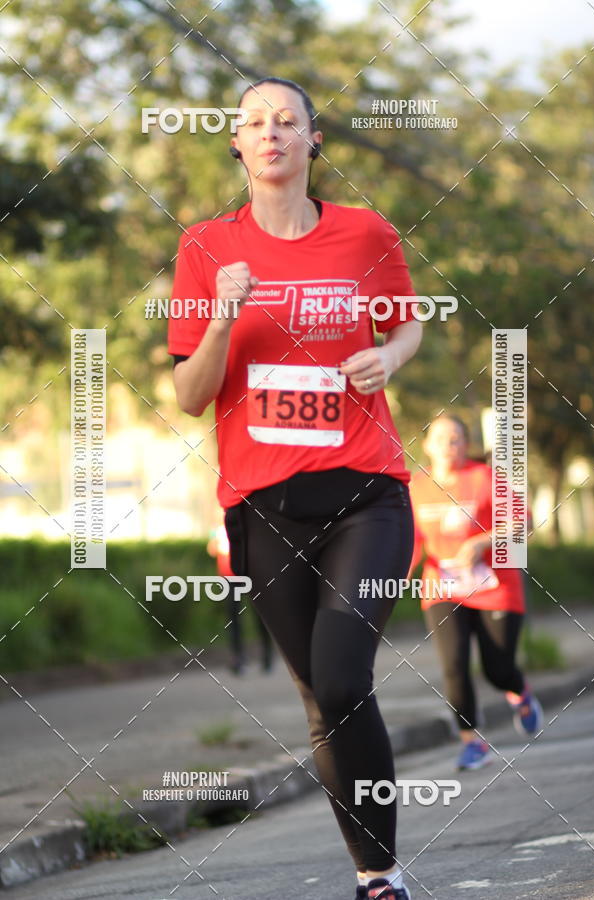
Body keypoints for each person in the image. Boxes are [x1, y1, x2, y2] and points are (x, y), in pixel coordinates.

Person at [168, 76, 423, 900]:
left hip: (366, 493)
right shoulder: (206, 247)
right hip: (263, 506)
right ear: (236, 145)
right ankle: (370, 873)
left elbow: (407, 318)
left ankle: (383, 878)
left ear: (314, 140)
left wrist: (390, 357)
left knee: (346, 678)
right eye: (254, 122)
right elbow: (188, 394)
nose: (271, 132)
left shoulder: (365, 234)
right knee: (320, 697)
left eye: (288, 120)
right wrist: (220, 319)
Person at [409, 414, 543, 771]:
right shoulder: (415, 488)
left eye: (455, 438)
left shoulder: (483, 478)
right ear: (426, 445)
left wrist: (481, 542)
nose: (448, 445)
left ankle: (521, 693)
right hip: (443, 588)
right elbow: (411, 543)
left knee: (496, 669)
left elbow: (523, 521)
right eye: (440, 438)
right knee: (453, 665)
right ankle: (472, 742)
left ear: (465, 444)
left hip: (494, 587)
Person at [207, 522, 274, 674]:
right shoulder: (219, 529)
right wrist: (216, 544)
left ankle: (267, 654)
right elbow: (211, 550)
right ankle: (237, 657)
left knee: (259, 615)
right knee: (233, 617)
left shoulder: (244, 523)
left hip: (249, 575)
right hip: (229, 579)